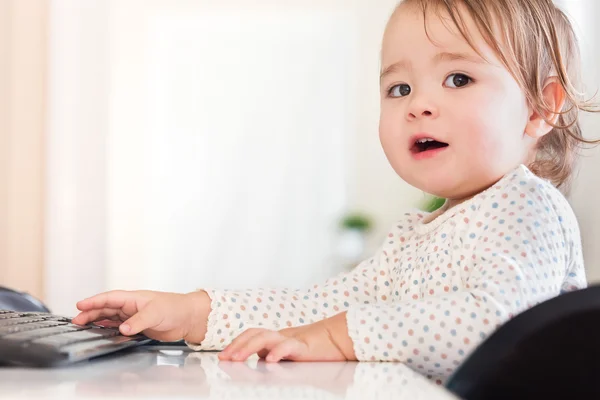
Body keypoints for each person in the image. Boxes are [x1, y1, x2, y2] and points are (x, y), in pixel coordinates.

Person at [72, 0, 600, 380]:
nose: (418, 104)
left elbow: (495, 324)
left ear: (539, 108)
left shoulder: (527, 209)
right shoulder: (416, 236)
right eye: (399, 87)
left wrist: (333, 336)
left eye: (458, 79)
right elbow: (318, 306)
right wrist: (194, 312)